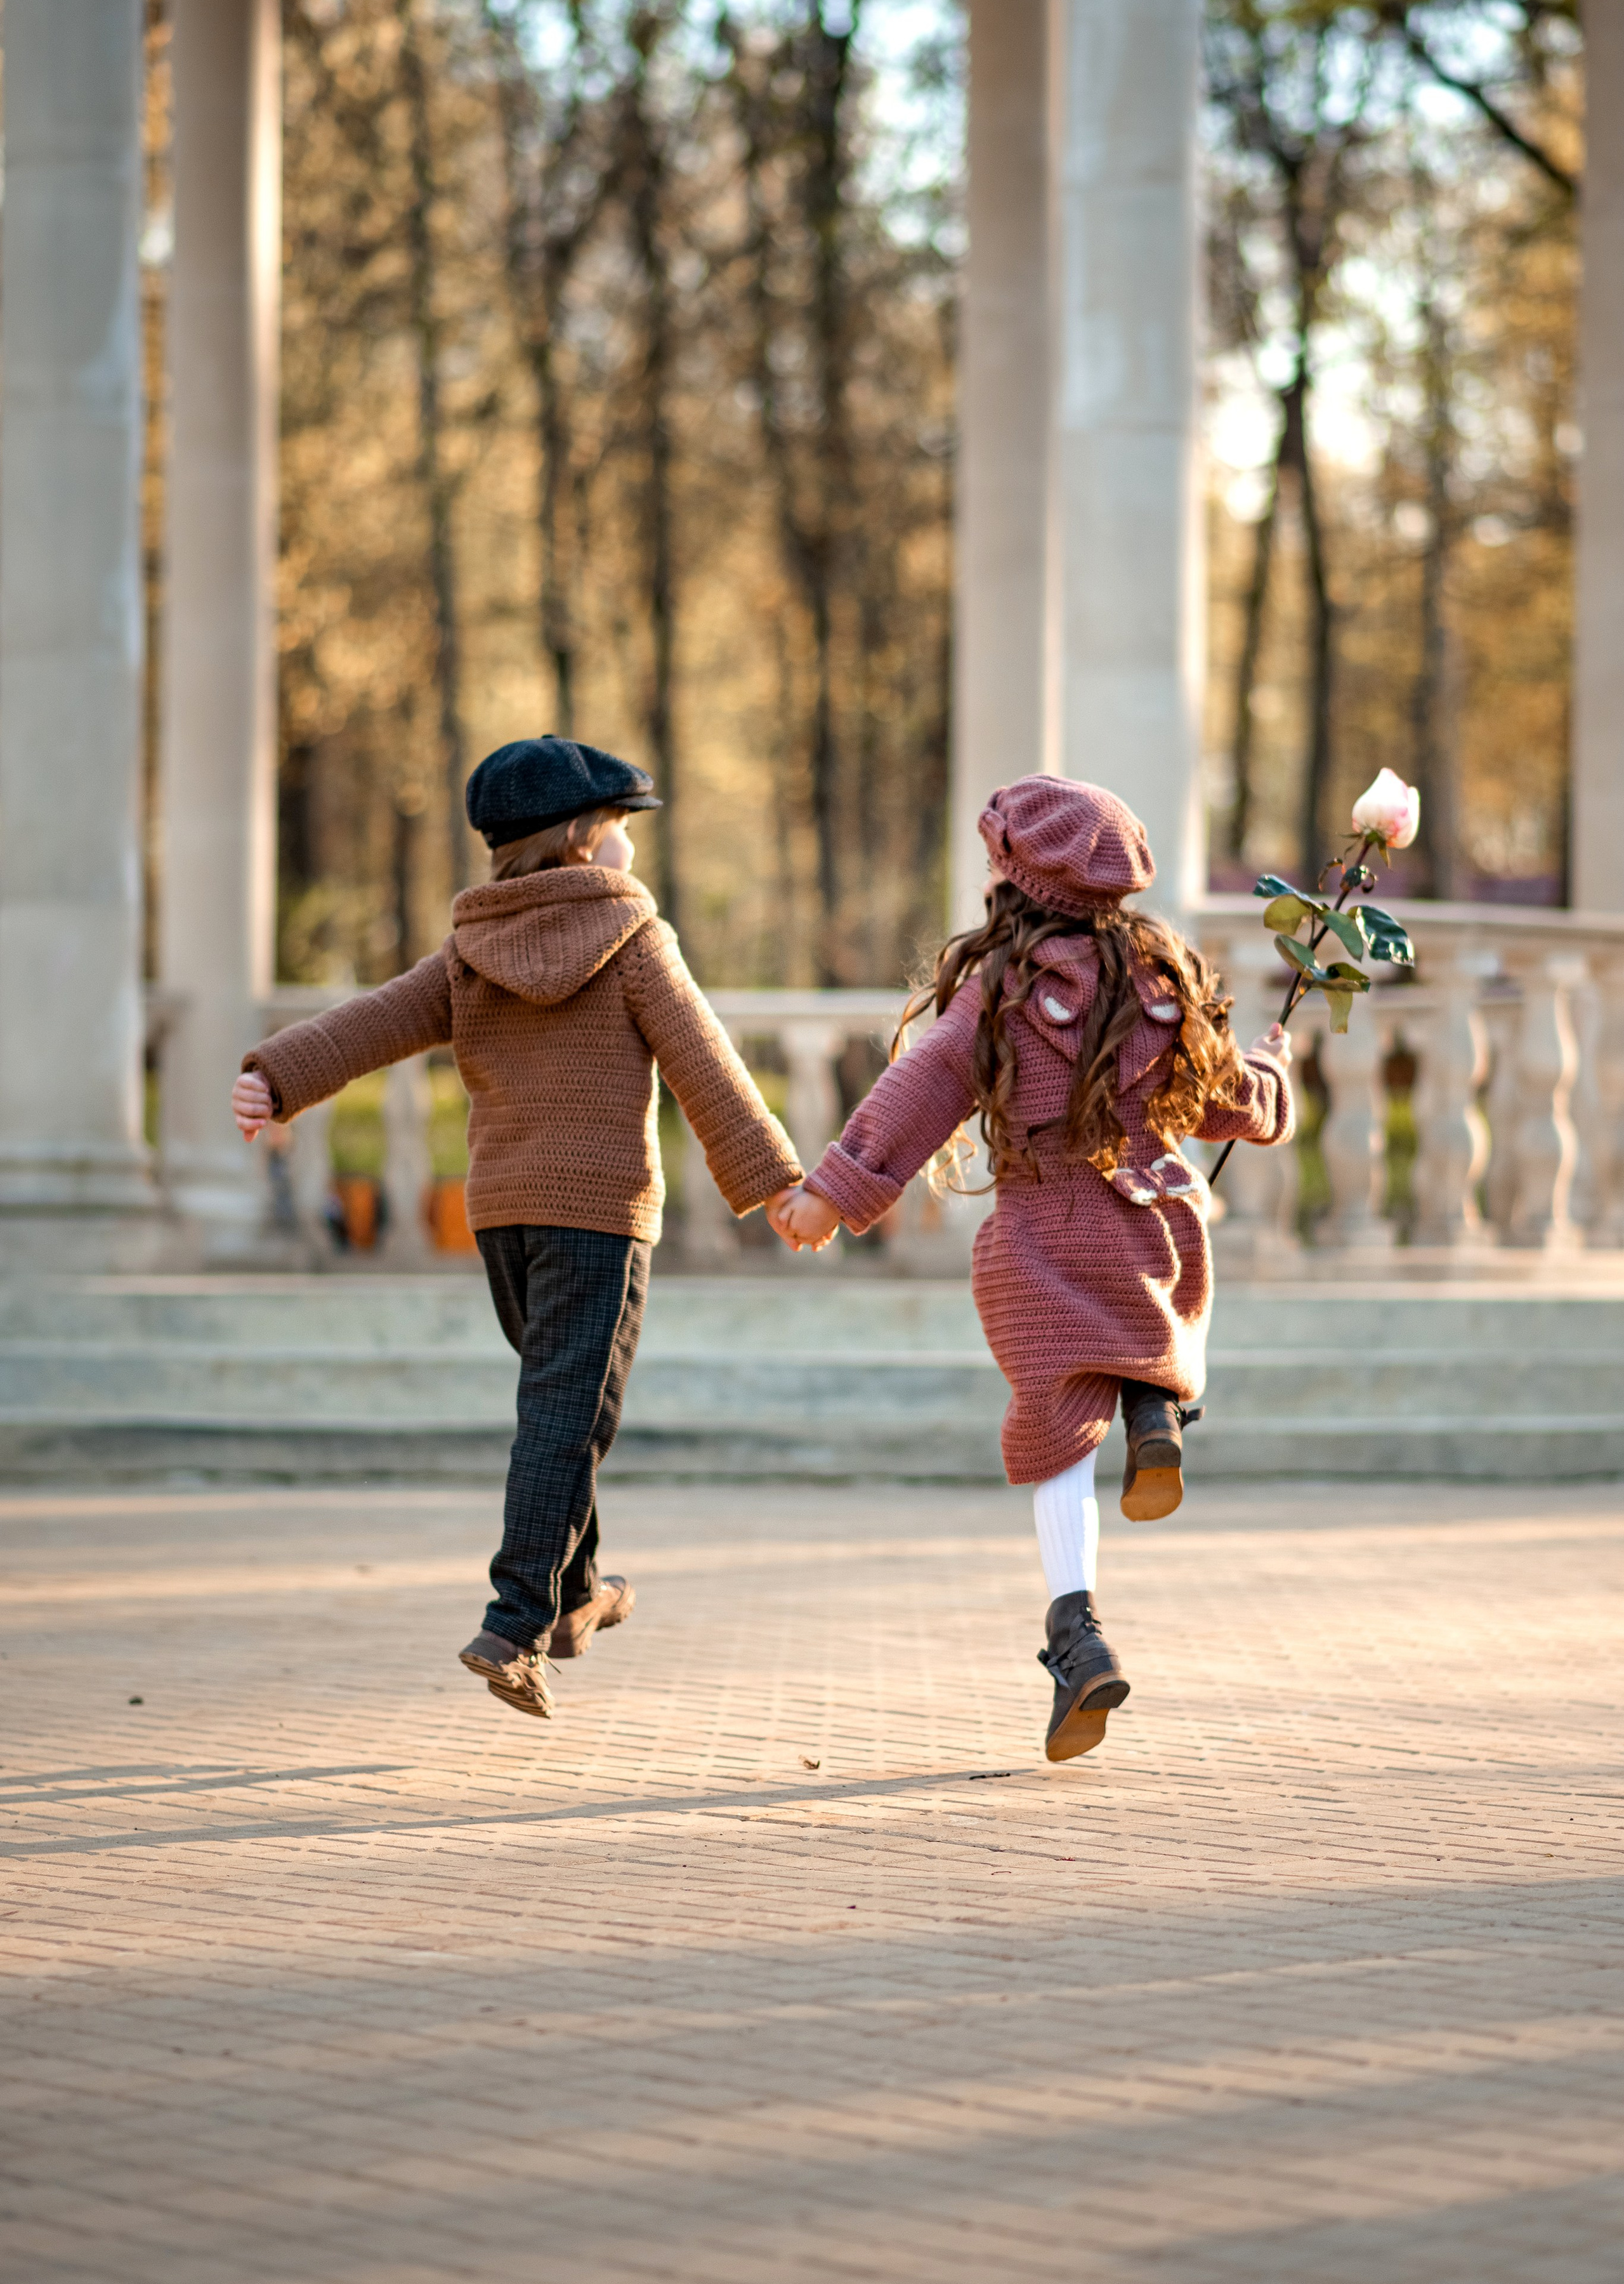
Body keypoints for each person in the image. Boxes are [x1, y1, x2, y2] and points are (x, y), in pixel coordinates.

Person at [233, 736, 801, 1720]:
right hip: (601, 1215)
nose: (630, 850)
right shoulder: (635, 939)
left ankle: (579, 1599)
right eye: (621, 829)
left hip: (502, 1218)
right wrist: (779, 1183)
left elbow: (371, 1023)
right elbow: (707, 1065)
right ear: (582, 839)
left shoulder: (470, 950)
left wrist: (278, 1074)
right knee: (569, 1416)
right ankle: (515, 1620)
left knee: (558, 1406)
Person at [767, 774, 1293, 1763]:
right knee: (1146, 1337)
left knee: (1057, 1437)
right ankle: (1155, 1414)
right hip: (1156, 1225)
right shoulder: (1162, 980)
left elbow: (919, 1088)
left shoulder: (1001, 994)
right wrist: (1275, 1073)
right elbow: (1231, 1104)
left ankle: (1077, 1630)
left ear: (1012, 876)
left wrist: (834, 1192)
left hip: (1045, 1236)